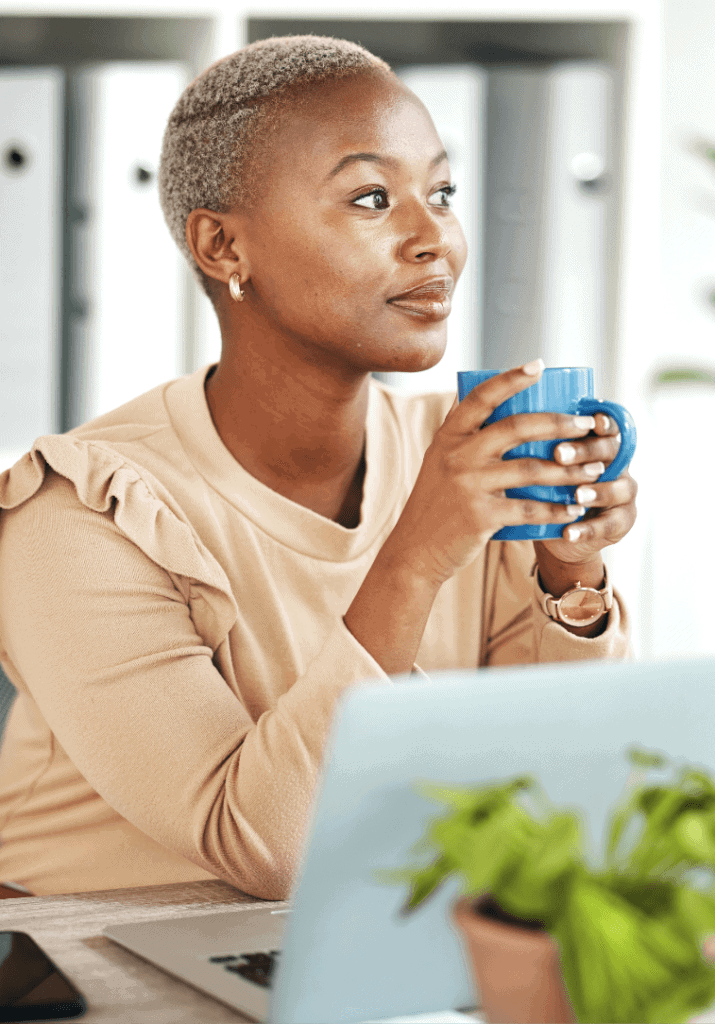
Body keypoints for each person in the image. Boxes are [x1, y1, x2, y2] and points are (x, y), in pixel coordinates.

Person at [0, 35, 635, 899]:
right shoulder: (79, 515)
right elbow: (264, 851)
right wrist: (415, 558)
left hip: (364, 946)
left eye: (441, 193)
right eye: (373, 198)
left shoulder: (449, 456)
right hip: (104, 971)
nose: (434, 239)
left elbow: (552, 791)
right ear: (224, 248)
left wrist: (567, 575)